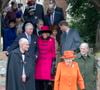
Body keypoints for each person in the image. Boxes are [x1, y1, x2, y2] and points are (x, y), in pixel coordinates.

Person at [35, 26, 56, 90]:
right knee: (38, 79)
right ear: (41, 33)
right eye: (43, 33)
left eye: (46, 33)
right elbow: (36, 50)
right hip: (39, 62)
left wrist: (53, 63)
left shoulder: (52, 40)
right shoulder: (38, 39)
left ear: (48, 33)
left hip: (48, 62)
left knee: (47, 81)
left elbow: (53, 51)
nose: (45, 34)